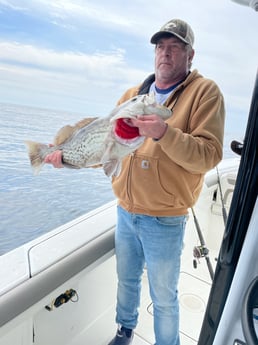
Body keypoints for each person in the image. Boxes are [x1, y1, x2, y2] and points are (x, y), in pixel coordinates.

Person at [44, 18, 225, 345]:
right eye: (160, 47)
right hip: (126, 212)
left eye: (175, 48)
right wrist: (67, 161)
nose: (165, 54)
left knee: (164, 296)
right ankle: (125, 331)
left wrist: (163, 133)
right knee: (126, 282)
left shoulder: (204, 92)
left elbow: (209, 155)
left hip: (164, 219)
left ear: (190, 55)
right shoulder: (132, 95)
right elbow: (104, 147)